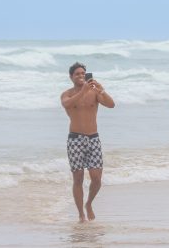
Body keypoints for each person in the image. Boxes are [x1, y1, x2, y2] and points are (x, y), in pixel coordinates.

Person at [60, 62, 116, 222]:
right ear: (71, 77)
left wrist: (101, 89)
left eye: (83, 73)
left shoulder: (94, 92)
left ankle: (89, 203)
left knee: (97, 178)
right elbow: (66, 104)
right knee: (78, 178)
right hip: (75, 139)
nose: (81, 76)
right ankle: (81, 214)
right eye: (77, 74)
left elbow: (112, 105)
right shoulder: (67, 94)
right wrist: (83, 91)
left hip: (93, 138)